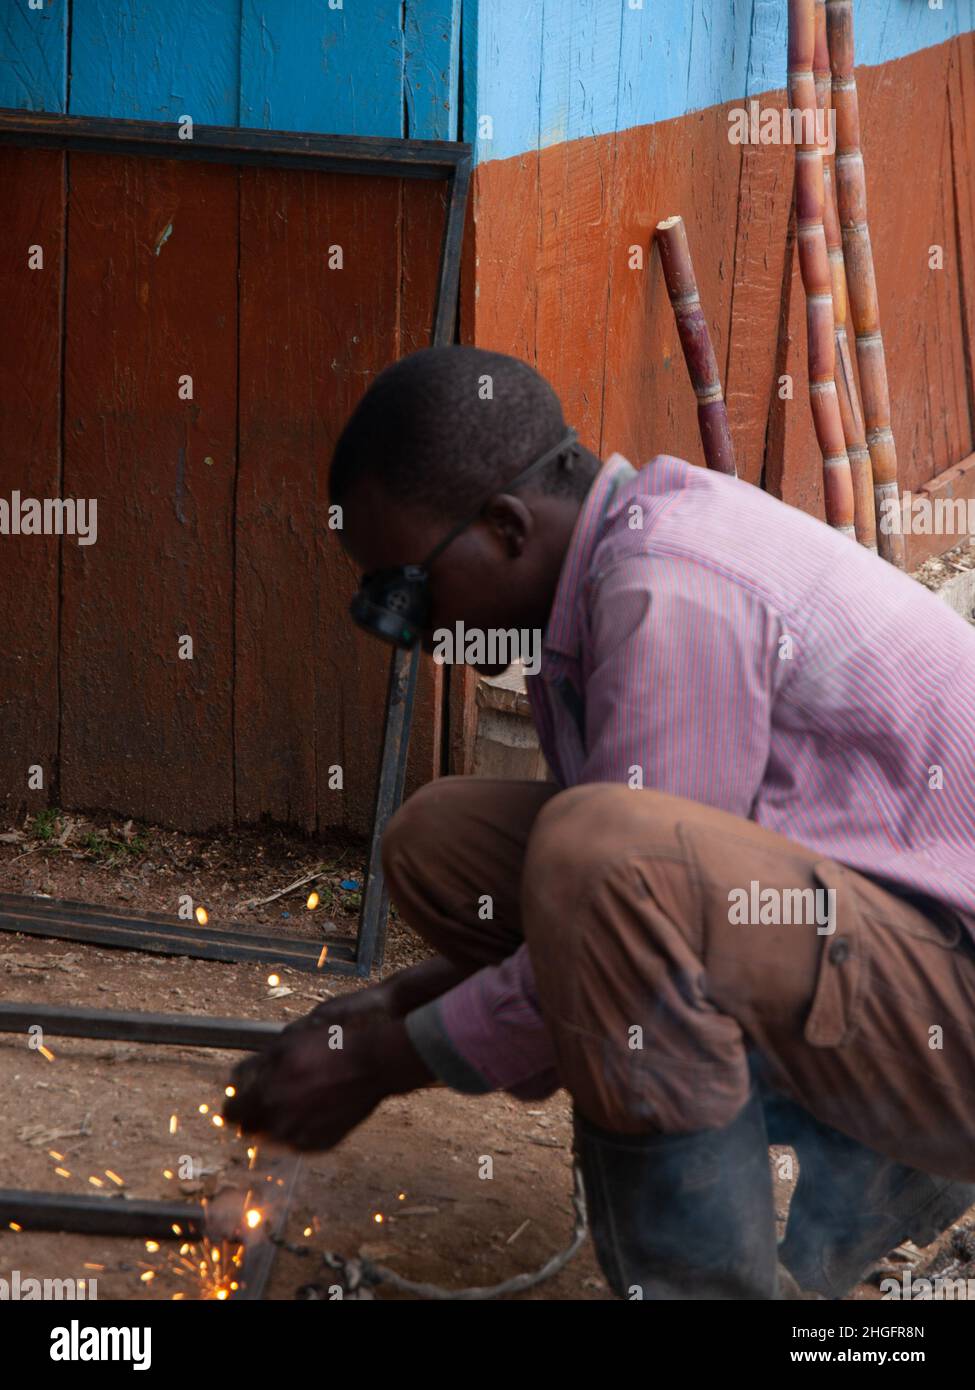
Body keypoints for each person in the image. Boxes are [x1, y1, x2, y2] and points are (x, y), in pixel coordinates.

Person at [224, 346, 975, 1300]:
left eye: (405, 591)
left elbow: (632, 900)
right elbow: (633, 923)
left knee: (599, 857)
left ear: (503, 526)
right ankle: (847, 1173)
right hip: (895, 954)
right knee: (444, 842)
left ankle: (722, 1279)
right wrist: (393, 1008)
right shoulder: (601, 574)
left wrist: (381, 1060)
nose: (408, 631)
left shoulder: (669, 588)